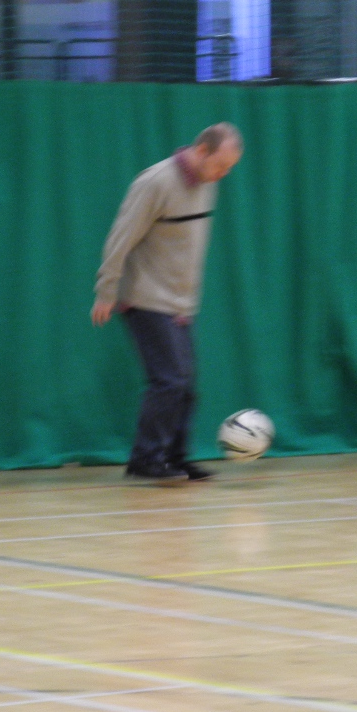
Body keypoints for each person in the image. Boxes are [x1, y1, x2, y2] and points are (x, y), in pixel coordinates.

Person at [92, 123, 243, 484]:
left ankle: (175, 458)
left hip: (180, 304)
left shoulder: (208, 184)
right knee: (169, 380)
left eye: (229, 169)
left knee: (186, 385)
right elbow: (120, 238)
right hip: (145, 298)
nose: (223, 174)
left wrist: (186, 302)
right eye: (221, 165)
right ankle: (145, 459)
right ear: (201, 151)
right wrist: (107, 290)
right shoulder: (155, 183)